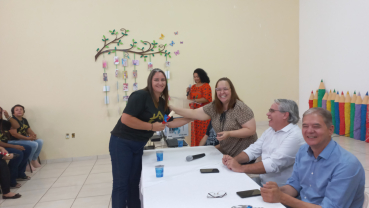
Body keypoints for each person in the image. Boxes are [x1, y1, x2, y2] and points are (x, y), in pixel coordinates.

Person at [110, 68, 192, 208]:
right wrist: (152, 127)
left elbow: (170, 123)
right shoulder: (141, 96)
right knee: (121, 184)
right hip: (122, 143)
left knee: (134, 182)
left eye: (162, 80)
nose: (160, 83)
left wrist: (192, 117)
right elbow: (126, 119)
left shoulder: (161, 103)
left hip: (138, 145)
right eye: (156, 79)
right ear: (150, 81)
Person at [260, 108, 365, 208]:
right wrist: (275, 191)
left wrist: (282, 197)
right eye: (305, 126)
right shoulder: (303, 151)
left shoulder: (346, 165)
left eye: (316, 126)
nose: (309, 131)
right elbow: (294, 186)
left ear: (330, 130)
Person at [223, 99, 305, 187]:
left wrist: (240, 168)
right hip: (264, 183)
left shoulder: (295, 136)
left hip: (282, 189)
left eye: (272, 111)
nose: (267, 114)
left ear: (285, 115)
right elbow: (253, 150)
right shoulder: (271, 130)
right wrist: (233, 160)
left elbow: (273, 164)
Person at [172, 77, 257, 157]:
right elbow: (193, 113)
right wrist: (172, 109)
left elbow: (251, 130)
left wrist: (229, 133)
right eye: (218, 89)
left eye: (225, 89)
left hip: (244, 156)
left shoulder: (240, 108)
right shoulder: (214, 106)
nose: (222, 92)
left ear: (232, 90)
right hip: (227, 154)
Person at [0, 106, 32, 188]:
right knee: (18, 153)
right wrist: (14, 146)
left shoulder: (3, 123)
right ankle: (11, 181)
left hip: (5, 145)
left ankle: (20, 174)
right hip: (1, 149)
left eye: (0, 113)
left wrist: (8, 117)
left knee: (27, 148)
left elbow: (16, 126)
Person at [8, 104, 43, 170]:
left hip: (23, 138)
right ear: (13, 113)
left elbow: (28, 129)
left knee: (40, 141)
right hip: (14, 140)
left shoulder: (24, 120)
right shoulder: (12, 121)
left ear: (23, 112)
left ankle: (33, 160)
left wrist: (33, 135)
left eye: (21, 109)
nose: (19, 111)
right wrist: (28, 138)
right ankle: (27, 163)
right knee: (33, 144)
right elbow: (14, 134)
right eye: (17, 110)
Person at [186, 68, 212, 146]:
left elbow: (206, 98)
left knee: (204, 134)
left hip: (204, 114)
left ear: (202, 76)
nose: (196, 78)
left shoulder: (206, 86)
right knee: (195, 133)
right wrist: (188, 93)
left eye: (197, 76)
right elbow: (189, 99)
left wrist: (194, 100)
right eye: (194, 77)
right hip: (194, 115)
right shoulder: (193, 87)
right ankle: (195, 150)